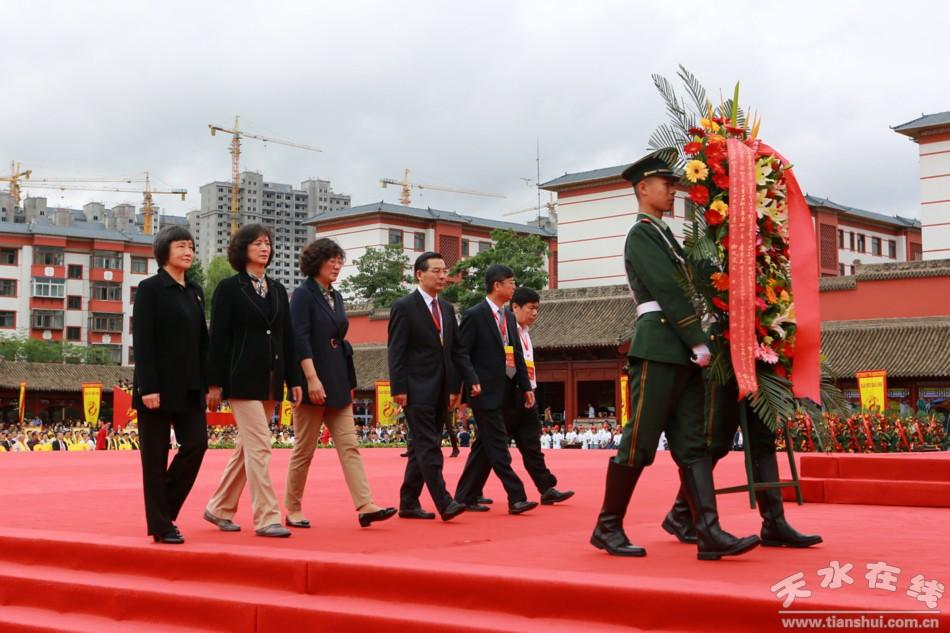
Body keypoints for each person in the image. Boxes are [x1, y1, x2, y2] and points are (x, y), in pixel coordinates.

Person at [590, 151, 759, 560]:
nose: (672, 190)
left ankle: (708, 531)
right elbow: (667, 289)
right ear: (643, 189)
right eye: (665, 184)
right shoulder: (642, 234)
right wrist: (696, 339)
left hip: (680, 351)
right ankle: (607, 526)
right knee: (640, 440)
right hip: (661, 347)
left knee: (693, 444)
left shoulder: (663, 233)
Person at [285, 238, 396, 529]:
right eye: (331, 260)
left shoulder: (337, 295)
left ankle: (365, 504)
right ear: (315, 263)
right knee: (304, 450)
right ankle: (293, 508)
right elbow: (299, 338)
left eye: (339, 261)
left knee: (350, 446)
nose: (336, 266)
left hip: (337, 378)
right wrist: (311, 379)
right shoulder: (302, 295)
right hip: (312, 379)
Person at [204, 223, 303, 538]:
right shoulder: (229, 289)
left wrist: (294, 378)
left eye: (268, 243)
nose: (265, 248)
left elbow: (287, 338)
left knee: (247, 448)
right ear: (243, 249)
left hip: (271, 380)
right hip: (240, 378)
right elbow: (217, 338)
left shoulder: (277, 290)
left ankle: (219, 507)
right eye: (258, 243)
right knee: (260, 445)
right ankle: (267, 517)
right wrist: (214, 383)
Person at [660, 379, 822, 549]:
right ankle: (682, 513)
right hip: (723, 371)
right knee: (714, 441)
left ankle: (774, 522)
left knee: (763, 439)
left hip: (761, 368)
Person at [387, 251, 480, 522]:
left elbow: (458, 351)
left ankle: (408, 502)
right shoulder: (404, 306)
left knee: (420, 446)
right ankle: (445, 501)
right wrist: (398, 388)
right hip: (415, 388)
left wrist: (468, 381)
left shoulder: (448, 309)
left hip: (442, 388)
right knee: (429, 445)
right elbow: (396, 351)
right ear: (419, 274)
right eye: (436, 271)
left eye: (444, 271)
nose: (442, 276)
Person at [132, 225, 210, 545]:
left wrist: (209, 382)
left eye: (191, 246)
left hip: (191, 385)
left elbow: (203, 341)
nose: (188, 251)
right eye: (181, 246)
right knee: (154, 457)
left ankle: (162, 508)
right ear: (164, 251)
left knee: (197, 444)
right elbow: (144, 339)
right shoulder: (150, 289)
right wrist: (148, 386)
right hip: (157, 387)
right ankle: (161, 525)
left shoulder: (194, 290)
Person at [464, 286, 573, 508]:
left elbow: (523, 363)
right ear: (515, 307)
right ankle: (470, 493)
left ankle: (546, 488)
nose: (535, 314)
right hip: (503, 396)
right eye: (531, 308)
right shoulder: (502, 327)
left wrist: (529, 388)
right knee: (488, 447)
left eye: (537, 309)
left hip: (524, 394)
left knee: (530, 445)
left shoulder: (524, 332)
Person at [454, 265, 538, 516]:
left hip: (507, 390)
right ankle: (516, 496)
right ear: (497, 285)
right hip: (483, 391)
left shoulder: (508, 317)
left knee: (485, 445)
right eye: (511, 282)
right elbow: (461, 354)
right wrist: (467, 387)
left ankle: (465, 495)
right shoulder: (475, 315)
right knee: (498, 444)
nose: (514, 286)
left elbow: (518, 357)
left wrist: (525, 387)